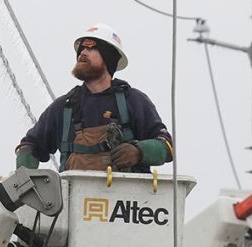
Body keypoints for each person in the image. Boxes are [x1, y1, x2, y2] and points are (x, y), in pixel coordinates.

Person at [15, 23, 173, 173]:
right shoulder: (64, 107)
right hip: (73, 198)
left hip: (125, 199)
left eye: (90, 47)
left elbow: (166, 146)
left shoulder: (132, 100)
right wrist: (25, 179)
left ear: (108, 57)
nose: (82, 52)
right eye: (81, 48)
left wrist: (139, 151)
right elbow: (30, 146)